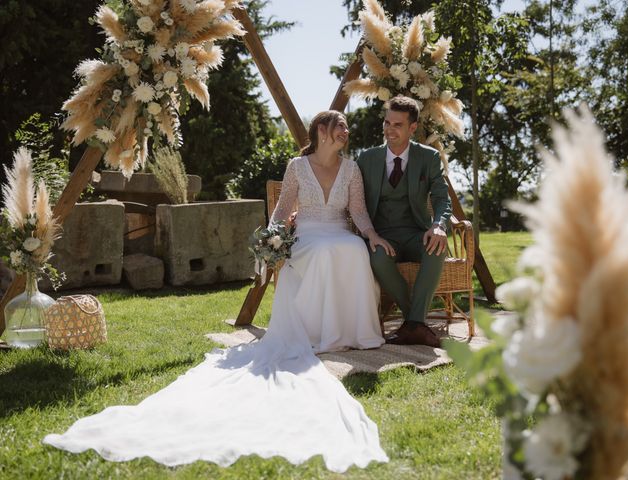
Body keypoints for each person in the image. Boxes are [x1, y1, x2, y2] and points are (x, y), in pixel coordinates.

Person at [43, 111, 390, 473]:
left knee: (352, 250)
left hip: (339, 231)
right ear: (321, 131)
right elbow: (283, 210)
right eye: (340, 127)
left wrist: (373, 236)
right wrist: (273, 240)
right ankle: (319, 333)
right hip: (308, 235)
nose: (346, 132)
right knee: (321, 253)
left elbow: (359, 213)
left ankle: (352, 332)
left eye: (347, 128)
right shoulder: (297, 166)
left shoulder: (350, 168)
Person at [357, 96, 452, 348]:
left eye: (397, 124)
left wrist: (439, 225)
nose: (390, 129)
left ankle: (411, 324)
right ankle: (417, 325)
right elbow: (352, 199)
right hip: (382, 235)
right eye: (387, 123)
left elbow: (442, 198)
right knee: (377, 256)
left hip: (416, 233)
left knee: (437, 246)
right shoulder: (366, 159)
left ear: (412, 128)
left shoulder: (429, 157)